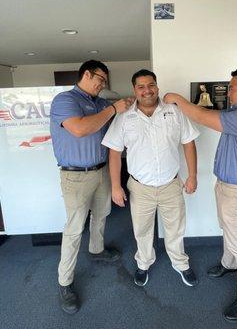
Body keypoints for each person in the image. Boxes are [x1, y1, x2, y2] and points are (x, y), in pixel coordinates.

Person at [163, 67, 237, 323]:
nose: (228, 91)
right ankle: (228, 264)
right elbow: (208, 113)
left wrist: (177, 98)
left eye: (232, 87)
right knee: (227, 229)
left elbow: (200, 115)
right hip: (227, 186)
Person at [102, 69, 200, 287]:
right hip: (140, 188)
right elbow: (114, 153)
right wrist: (116, 186)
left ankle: (180, 263)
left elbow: (189, 143)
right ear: (134, 90)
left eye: (151, 85)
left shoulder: (175, 112)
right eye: (141, 86)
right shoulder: (124, 117)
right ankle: (144, 263)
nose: (147, 90)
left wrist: (192, 175)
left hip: (171, 184)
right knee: (142, 229)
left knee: (175, 228)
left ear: (157, 86)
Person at [50, 60, 133, 314]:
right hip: (75, 176)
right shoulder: (65, 100)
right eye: (100, 79)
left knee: (102, 215)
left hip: (101, 171)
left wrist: (127, 106)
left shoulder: (99, 103)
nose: (102, 84)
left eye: (104, 81)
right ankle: (65, 282)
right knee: (74, 228)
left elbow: (114, 131)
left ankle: (96, 249)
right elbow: (80, 129)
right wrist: (113, 110)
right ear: (87, 74)